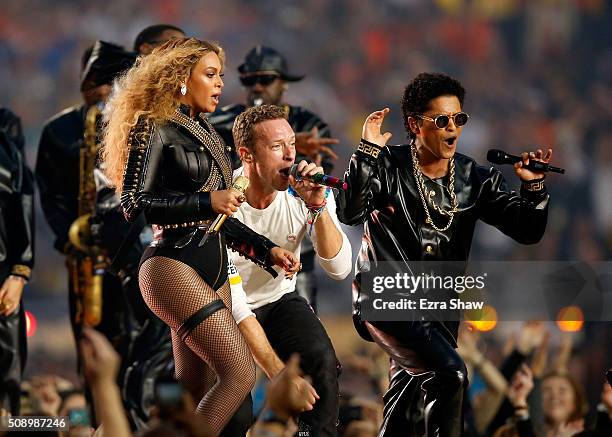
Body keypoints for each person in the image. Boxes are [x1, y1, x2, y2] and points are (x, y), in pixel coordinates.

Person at [102, 38, 300, 435]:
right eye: (210, 75)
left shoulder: (205, 129)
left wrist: (268, 250)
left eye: (221, 76)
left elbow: (221, 216)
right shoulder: (152, 126)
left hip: (213, 269)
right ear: (180, 78)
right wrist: (206, 201)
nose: (220, 84)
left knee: (195, 391)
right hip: (171, 268)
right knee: (241, 373)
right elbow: (133, 204)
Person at [336, 72, 552, 436]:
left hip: (439, 309)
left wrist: (533, 188)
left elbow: (527, 231)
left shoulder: (475, 178)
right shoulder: (386, 165)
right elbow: (349, 213)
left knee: (404, 408)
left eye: (459, 119)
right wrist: (367, 153)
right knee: (450, 373)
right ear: (414, 125)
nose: (453, 127)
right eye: (441, 120)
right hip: (386, 297)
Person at [229, 104, 352, 436]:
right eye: (275, 147)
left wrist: (318, 208)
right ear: (247, 155)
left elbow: (340, 268)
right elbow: (237, 302)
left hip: (279, 299)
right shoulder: (225, 201)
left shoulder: (302, 195)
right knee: (234, 401)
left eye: (291, 146)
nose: (290, 157)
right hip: (226, 309)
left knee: (322, 362)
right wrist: (279, 373)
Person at [209, 45, 340, 311]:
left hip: (292, 248)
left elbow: (315, 181)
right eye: (250, 80)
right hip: (237, 241)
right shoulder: (222, 121)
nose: (257, 87)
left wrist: (289, 148)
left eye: (266, 79)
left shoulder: (307, 123)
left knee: (301, 326)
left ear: (283, 85)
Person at [0, 108, 34, 415]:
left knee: (6, 367)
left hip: (2, 277)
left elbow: (21, 199)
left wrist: (19, 273)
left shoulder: (5, 129)